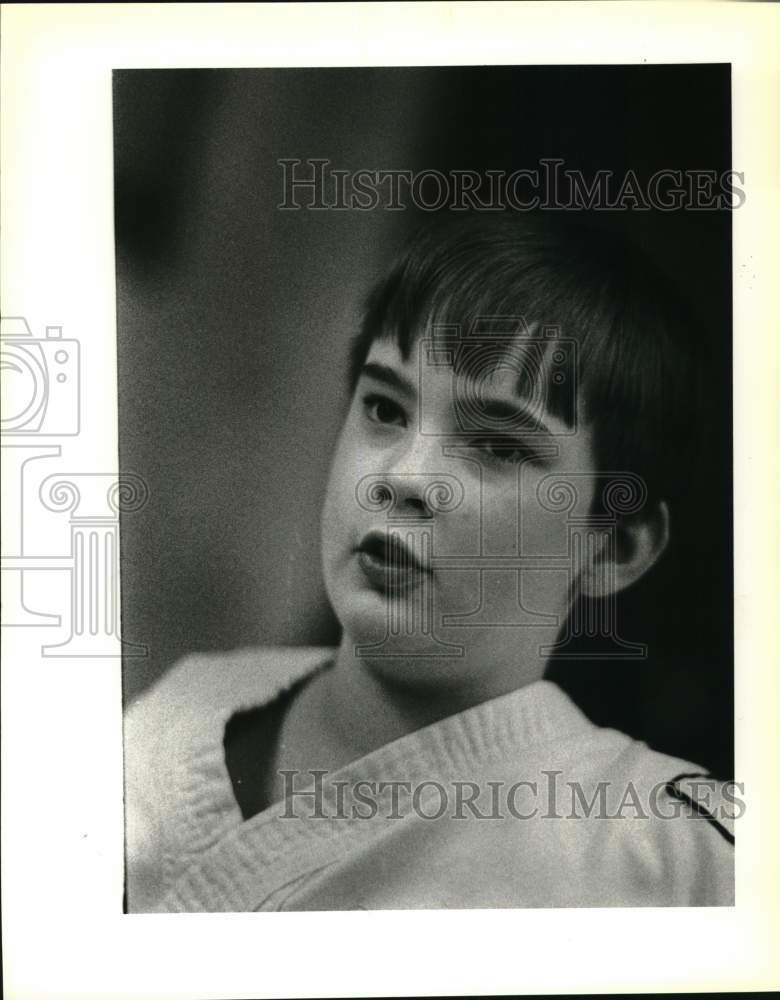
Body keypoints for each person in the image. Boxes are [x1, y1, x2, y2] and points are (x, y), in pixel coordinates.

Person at [124, 213, 735, 912]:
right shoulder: (180, 713)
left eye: (499, 448)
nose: (405, 476)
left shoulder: (664, 857)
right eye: (385, 408)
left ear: (614, 546)